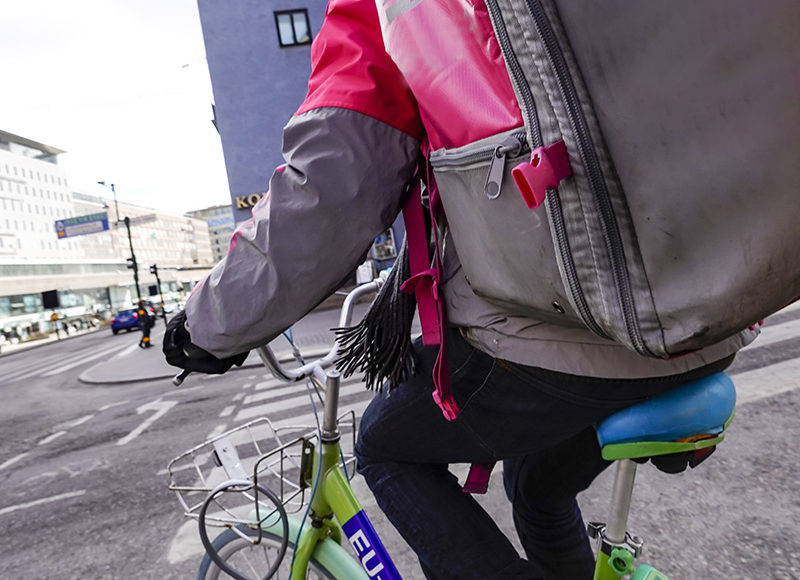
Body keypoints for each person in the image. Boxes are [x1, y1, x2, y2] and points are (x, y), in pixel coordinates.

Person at [163, 1, 757, 577]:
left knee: (384, 445)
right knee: (537, 488)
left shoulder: (391, 7)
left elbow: (330, 187)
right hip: (714, 307)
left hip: (580, 325)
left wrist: (210, 325)